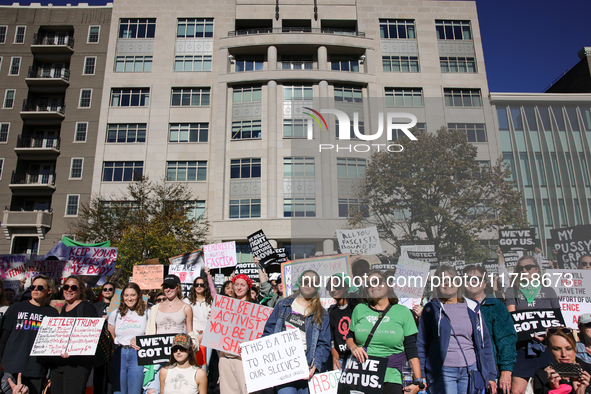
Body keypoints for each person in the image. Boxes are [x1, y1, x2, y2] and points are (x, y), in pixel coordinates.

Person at [418, 265, 496, 394]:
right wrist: (421, 374)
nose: (447, 283)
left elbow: (485, 342)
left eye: (452, 279)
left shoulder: (472, 307)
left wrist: (491, 374)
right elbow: (422, 344)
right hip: (443, 371)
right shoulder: (430, 308)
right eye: (442, 280)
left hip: (471, 370)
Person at [346, 270, 422, 394]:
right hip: (363, 376)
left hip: (393, 377)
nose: (373, 285)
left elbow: (411, 349)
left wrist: (417, 382)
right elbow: (349, 336)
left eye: (378, 281)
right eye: (369, 283)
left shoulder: (403, 312)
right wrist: (353, 347)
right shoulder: (359, 309)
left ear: (387, 285)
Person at [263, 270, 331, 394]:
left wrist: (315, 365)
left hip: (307, 363)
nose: (308, 284)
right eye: (306, 281)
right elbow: (268, 332)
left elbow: (324, 344)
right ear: (299, 283)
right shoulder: (283, 305)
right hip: (283, 362)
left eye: (313, 282)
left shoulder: (322, 314)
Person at [506, 255, 560, 394]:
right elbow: (513, 318)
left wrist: (546, 336)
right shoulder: (513, 291)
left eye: (528, 267)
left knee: (548, 387)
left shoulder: (548, 290)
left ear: (536, 269)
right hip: (523, 346)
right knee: (517, 390)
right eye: (520, 268)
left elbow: (558, 320)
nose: (524, 270)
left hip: (547, 346)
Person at [0, 275, 58, 394]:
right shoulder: (15, 308)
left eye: (40, 287)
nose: (35, 289)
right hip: (11, 368)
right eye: (32, 286)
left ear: (49, 290)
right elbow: (3, 338)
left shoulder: (52, 313)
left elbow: (52, 345)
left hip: (36, 370)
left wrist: (51, 373)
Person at [464, 264, 517, 394]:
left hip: (490, 372)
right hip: (464, 371)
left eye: (478, 278)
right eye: (468, 278)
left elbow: (506, 339)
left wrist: (506, 370)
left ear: (485, 283)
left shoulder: (495, 305)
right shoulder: (458, 306)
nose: (473, 281)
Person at [141, 275, 195, 394]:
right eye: (165, 287)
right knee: (152, 391)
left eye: (171, 286)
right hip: (157, 356)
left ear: (178, 288)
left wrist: (193, 344)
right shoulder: (155, 308)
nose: (168, 290)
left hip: (177, 355)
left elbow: (190, 332)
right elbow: (149, 332)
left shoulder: (186, 308)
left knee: (174, 389)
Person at [49, 275, 99, 394]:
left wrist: (71, 349)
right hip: (59, 364)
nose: (69, 289)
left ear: (81, 290)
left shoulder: (87, 307)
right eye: (66, 286)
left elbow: (90, 336)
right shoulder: (63, 308)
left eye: (73, 287)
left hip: (77, 365)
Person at [108, 282, 149, 394]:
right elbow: (111, 335)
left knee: (135, 391)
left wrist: (141, 341)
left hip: (137, 355)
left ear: (139, 295)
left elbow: (151, 334)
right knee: (118, 391)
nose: (129, 298)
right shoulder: (115, 313)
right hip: (118, 354)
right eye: (126, 295)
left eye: (132, 295)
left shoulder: (147, 313)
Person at [218, 274, 255, 394]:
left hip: (242, 358)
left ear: (248, 287)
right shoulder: (225, 305)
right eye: (236, 284)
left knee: (245, 390)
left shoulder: (255, 307)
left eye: (242, 285)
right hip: (225, 356)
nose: (239, 288)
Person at [533, 327, 591, 394]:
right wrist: (554, 389)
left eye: (569, 348)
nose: (564, 354)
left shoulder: (589, 371)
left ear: (575, 346)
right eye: (556, 349)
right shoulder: (542, 375)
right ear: (549, 349)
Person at [326, 273, 356, 371]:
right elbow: (331, 339)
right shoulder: (331, 312)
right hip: (339, 360)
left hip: (355, 358)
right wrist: (335, 355)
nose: (333, 290)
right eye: (330, 287)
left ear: (346, 287)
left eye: (337, 286)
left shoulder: (356, 308)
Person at [187, 276, 213, 371]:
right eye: (196, 284)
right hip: (193, 337)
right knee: (193, 364)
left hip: (207, 336)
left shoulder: (211, 302)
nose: (199, 286)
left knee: (205, 364)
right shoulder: (187, 302)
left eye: (201, 285)